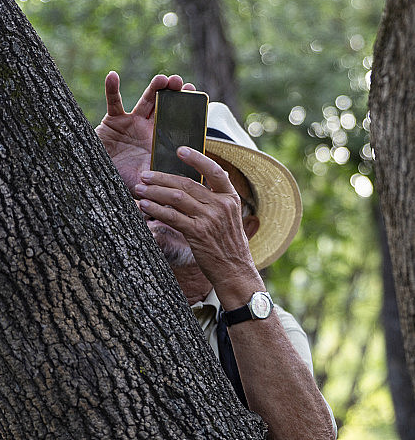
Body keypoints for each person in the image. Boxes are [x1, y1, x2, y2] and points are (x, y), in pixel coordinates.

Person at [95, 71, 336, 440]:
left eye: (212, 189)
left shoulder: (272, 328)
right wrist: (97, 182)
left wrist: (235, 271)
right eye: (176, 172)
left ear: (247, 229)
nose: (184, 196)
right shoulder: (85, 278)